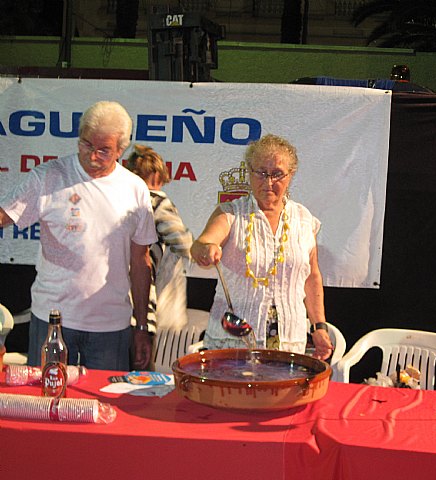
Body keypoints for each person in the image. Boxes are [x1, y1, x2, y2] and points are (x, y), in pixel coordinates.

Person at [0, 101, 157, 371]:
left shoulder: (135, 189)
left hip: (111, 327)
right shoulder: (48, 177)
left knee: (105, 397)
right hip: (53, 320)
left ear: (121, 150)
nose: (92, 155)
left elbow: (142, 261)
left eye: (104, 150)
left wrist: (142, 326)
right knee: (47, 395)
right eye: (86, 144)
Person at [191, 134, 333, 360]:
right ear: (249, 172)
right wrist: (206, 249)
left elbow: (312, 277)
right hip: (233, 342)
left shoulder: (304, 219)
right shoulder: (231, 213)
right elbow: (201, 243)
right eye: (261, 173)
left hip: (289, 341)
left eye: (277, 174)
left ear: (290, 175)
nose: (268, 182)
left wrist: (319, 327)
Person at [126, 145, 193, 333]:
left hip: (110, 301)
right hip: (140, 301)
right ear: (157, 175)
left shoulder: (119, 201)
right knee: (141, 349)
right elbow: (183, 243)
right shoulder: (156, 202)